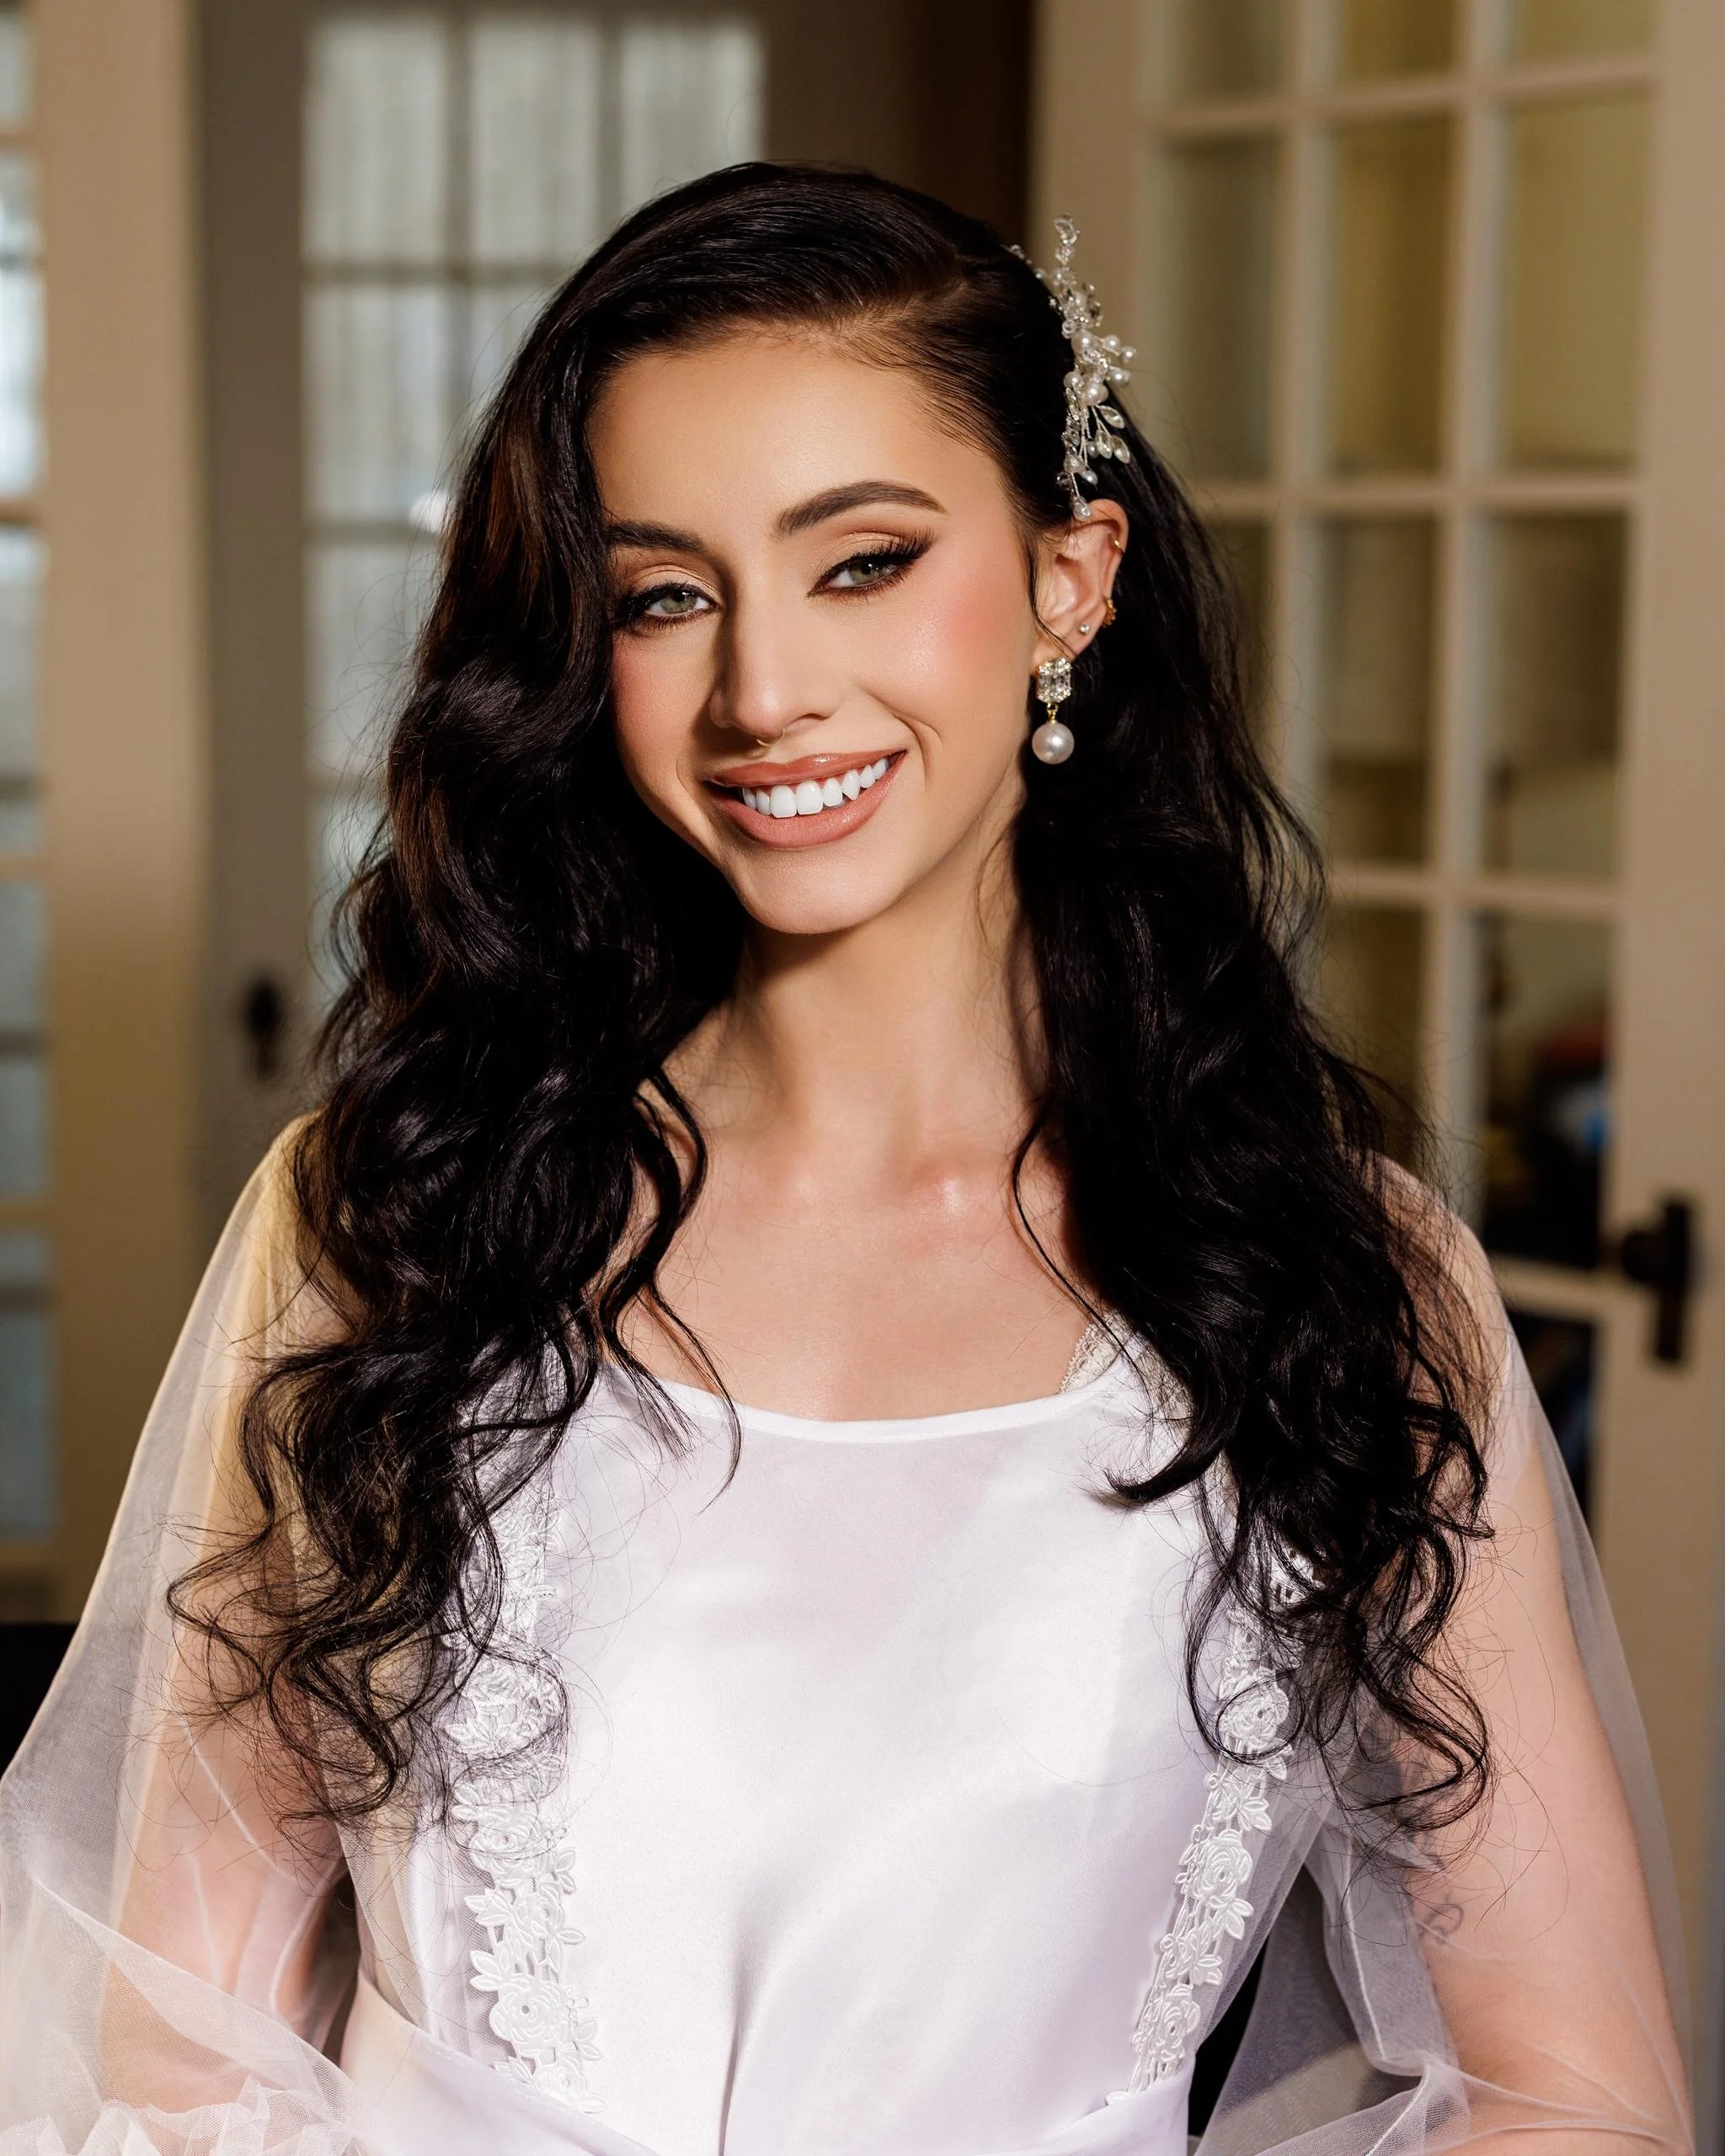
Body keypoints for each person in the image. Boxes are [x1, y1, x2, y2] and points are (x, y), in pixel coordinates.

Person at [0, 165, 1690, 2156]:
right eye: (664, 594)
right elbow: (171, 2046)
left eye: (862, 558)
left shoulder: (1333, 1278)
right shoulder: (398, 1223)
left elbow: (1569, 2089)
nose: (763, 688)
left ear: (1073, 574)